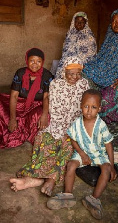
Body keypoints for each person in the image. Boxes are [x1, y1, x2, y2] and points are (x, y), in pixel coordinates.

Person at [9, 56, 90, 196]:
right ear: (64, 71)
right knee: (43, 139)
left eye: (78, 73)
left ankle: (49, 180)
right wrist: (46, 116)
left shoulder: (84, 84)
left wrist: (79, 128)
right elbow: (47, 101)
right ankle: (35, 178)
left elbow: (87, 108)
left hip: (74, 125)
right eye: (71, 73)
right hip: (56, 122)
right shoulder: (55, 84)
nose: (75, 77)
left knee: (68, 147)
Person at [47, 89, 117, 220]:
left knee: (106, 169)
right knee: (71, 164)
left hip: (98, 153)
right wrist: (81, 154)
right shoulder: (77, 123)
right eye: (86, 106)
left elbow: (108, 144)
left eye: (94, 107)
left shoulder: (101, 125)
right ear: (81, 106)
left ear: (99, 108)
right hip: (83, 151)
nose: (89, 111)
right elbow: (73, 139)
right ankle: (67, 195)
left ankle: (93, 200)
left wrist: (112, 165)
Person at [0, 47, 54, 148]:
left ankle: (24, 126)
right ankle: (12, 122)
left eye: (38, 61)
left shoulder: (47, 75)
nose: (35, 64)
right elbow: (14, 96)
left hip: (36, 106)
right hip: (19, 103)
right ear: (27, 60)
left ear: (42, 62)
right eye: (32, 61)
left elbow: (46, 98)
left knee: (43, 116)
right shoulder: (20, 73)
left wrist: (44, 115)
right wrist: (12, 119)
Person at [54, 11, 97, 78]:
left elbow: (92, 54)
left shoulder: (90, 37)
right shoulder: (69, 34)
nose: (79, 24)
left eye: (82, 22)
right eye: (77, 21)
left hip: (82, 66)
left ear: (85, 23)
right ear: (73, 22)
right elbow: (65, 51)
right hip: (67, 64)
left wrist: (80, 64)